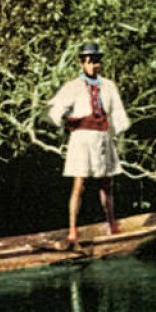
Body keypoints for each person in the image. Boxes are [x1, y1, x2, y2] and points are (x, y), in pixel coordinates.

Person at [48, 42, 131, 242]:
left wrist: (115, 133)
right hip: (82, 139)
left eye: (96, 62)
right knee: (79, 184)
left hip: (102, 137)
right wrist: (66, 122)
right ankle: (72, 230)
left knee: (107, 183)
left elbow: (118, 114)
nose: (93, 66)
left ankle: (112, 224)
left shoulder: (108, 86)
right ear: (82, 63)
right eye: (89, 62)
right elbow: (54, 110)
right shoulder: (73, 87)